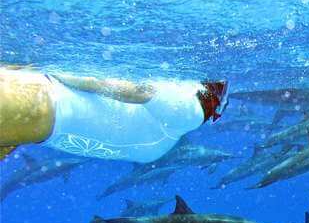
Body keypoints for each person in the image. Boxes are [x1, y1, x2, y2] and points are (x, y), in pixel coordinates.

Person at [0, 66, 228, 162]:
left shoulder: (191, 111)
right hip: (36, 127)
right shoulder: (158, 148)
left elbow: (138, 91)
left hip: (43, 99)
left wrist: (62, 73)